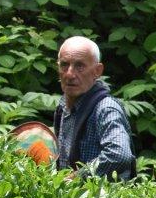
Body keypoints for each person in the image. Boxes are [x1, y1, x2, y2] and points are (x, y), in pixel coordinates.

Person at [53, 36, 135, 179]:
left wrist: (76, 177)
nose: (70, 74)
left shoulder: (105, 108)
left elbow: (120, 155)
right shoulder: (63, 105)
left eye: (80, 66)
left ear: (97, 71)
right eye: (64, 65)